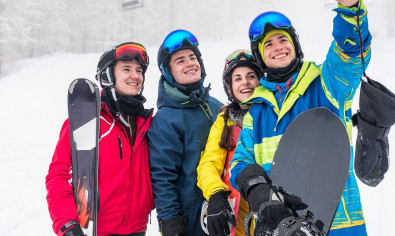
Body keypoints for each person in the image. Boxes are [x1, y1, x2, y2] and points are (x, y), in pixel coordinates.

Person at [229, 0, 372, 235]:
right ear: (261, 57)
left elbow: (351, 52)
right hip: (281, 227)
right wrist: (258, 191)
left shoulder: (327, 84)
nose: (278, 47)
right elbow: (241, 160)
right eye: (269, 44)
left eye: (283, 40)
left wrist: (350, 9)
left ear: (295, 45)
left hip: (338, 225)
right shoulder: (257, 110)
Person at [46, 42, 154, 236]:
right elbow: (58, 174)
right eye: (126, 69)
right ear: (107, 76)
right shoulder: (88, 120)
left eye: (139, 71)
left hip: (138, 230)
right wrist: (67, 223)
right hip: (97, 230)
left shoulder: (146, 124)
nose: (135, 76)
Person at [148, 29, 223, 236]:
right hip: (191, 219)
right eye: (180, 61)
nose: (190, 63)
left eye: (193, 57)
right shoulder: (165, 120)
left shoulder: (216, 106)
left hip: (224, 208)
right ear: (168, 72)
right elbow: (162, 177)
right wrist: (171, 222)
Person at [197, 49, 263, 236]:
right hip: (237, 219)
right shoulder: (224, 121)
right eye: (238, 78)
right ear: (230, 86)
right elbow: (209, 164)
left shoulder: (272, 115)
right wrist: (216, 194)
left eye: (251, 76)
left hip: (270, 214)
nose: (245, 83)